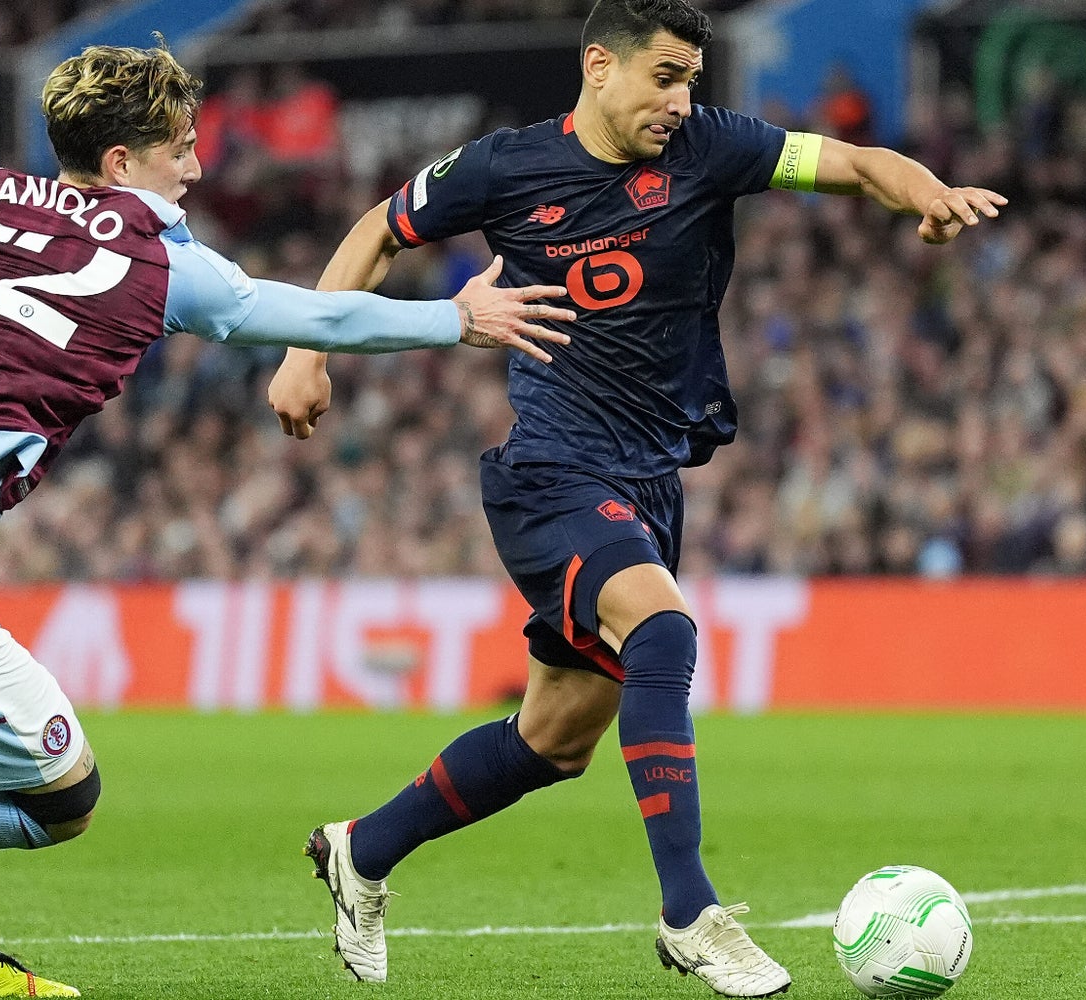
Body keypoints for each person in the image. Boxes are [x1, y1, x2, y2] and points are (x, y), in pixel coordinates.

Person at [0, 40, 573, 1000]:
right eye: (180, 149)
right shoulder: (157, 267)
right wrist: (457, 319)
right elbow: (306, 318)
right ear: (122, 163)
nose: (196, 167)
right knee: (55, 797)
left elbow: (93, 256)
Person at [267, 1, 1005, 994]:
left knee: (553, 740)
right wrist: (306, 351)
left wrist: (928, 190)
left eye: (689, 79)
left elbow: (853, 161)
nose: (679, 100)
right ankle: (687, 909)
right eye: (662, 77)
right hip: (550, 472)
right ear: (598, 66)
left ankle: (363, 851)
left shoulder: (709, 148)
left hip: (647, 482)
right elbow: (377, 229)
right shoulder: (500, 167)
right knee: (661, 631)